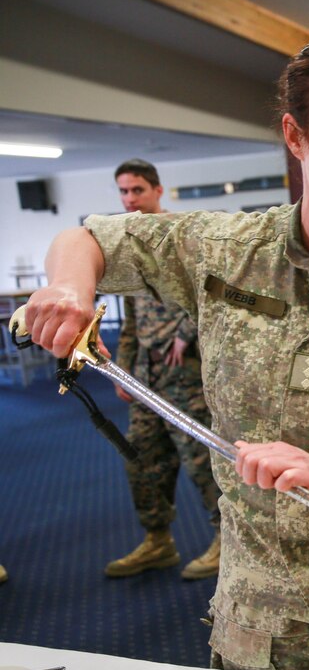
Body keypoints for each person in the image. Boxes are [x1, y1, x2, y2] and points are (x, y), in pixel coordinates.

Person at [23, 35, 309, 670]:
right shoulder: (229, 249)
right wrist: (70, 289)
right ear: (296, 137)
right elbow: (90, 236)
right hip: (261, 629)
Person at [106, 159, 222, 580]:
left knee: (201, 458)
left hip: (186, 370)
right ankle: (158, 540)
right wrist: (123, 369)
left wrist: (185, 333)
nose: (130, 199)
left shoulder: (184, 234)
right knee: (139, 456)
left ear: (157, 190)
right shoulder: (128, 242)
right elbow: (131, 316)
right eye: (123, 191)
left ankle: (226, 539)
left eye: (137, 190)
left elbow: (213, 290)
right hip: (146, 372)